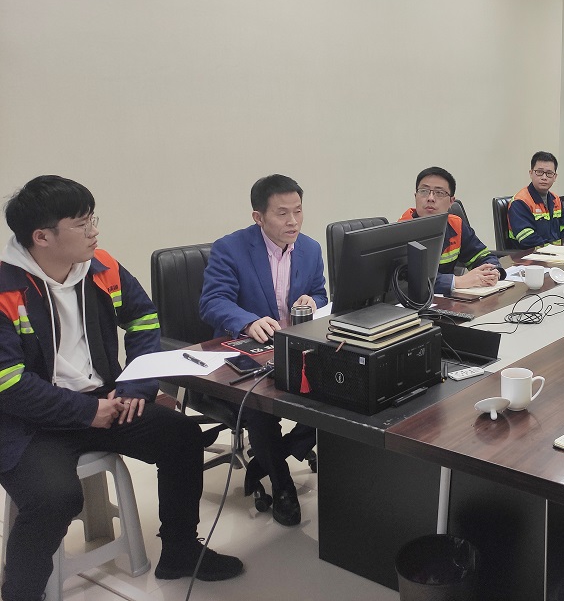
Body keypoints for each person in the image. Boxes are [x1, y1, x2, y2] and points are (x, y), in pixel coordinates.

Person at [0, 176, 244, 601]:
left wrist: (136, 386)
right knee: (55, 498)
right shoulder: (5, 289)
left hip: (105, 400)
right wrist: (84, 412)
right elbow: (9, 384)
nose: (94, 231)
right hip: (29, 422)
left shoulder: (101, 267)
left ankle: (181, 552)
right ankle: (21, 592)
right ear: (42, 237)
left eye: (93, 219)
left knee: (182, 437)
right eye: (82, 224)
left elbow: (144, 319)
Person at [200, 174, 327, 527]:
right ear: (259, 217)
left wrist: (313, 302)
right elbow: (212, 302)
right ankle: (282, 485)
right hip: (248, 354)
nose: (293, 221)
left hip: (295, 349)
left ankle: (268, 459)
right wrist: (246, 321)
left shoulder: (311, 249)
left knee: (341, 394)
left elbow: (320, 293)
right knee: (260, 410)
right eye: (282, 213)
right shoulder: (230, 248)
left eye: (298, 211)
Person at [398, 167, 505, 296]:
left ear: (451, 202)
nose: (430, 198)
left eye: (439, 193)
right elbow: (409, 281)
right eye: (424, 191)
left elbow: (482, 256)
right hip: (413, 303)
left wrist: (493, 271)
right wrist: (458, 281)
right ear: (416, 196)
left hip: (447, 300)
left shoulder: (455, 224)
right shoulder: (401, 230)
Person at [507, 151, 564, 248]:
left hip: (555, 253)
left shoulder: (556, 200)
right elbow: (528, 239)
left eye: (549, 173)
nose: (544, 177)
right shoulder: (520, 202)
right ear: (531, 173)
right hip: (529, 255)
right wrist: (554, 250)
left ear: (555, 177)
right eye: (539, 172)